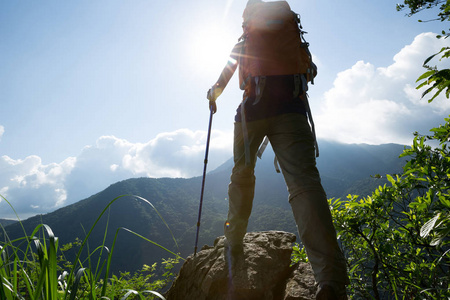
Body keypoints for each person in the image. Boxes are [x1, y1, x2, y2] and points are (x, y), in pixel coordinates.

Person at [207, 1, 349, 299]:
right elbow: (310, 70)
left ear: (247, 20)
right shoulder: (293, 36)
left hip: (251, 114)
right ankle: (329, 279)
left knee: (242, 175)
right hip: (292, 112)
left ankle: (234, 240)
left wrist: (213, 93)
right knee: (304, 185)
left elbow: (228, 71)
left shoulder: (245, 40)